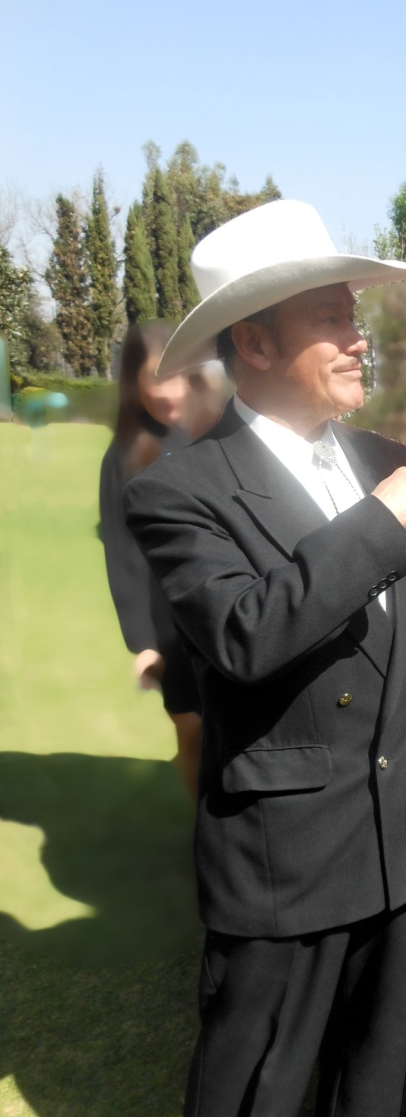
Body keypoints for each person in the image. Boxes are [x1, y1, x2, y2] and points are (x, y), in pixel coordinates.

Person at [124, 199, 406, 1117]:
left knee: (368, 1107)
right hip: (285, 863)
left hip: (397, 845)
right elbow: (242, 633)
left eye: (358, 315)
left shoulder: (382, 463)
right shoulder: (181, 492)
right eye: (336, 318)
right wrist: (380, 527)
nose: (362, 338)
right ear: (257, 342)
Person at [99, 321, 203, 798]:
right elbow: (122, 555)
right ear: (133, 381)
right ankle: (207, 842)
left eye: (178, 376)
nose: (169, 390)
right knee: (193, 733)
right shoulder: (124, 457)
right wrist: (142, 642)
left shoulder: (210, 436)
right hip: (170, 627)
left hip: (223, 611)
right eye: (156, 378)